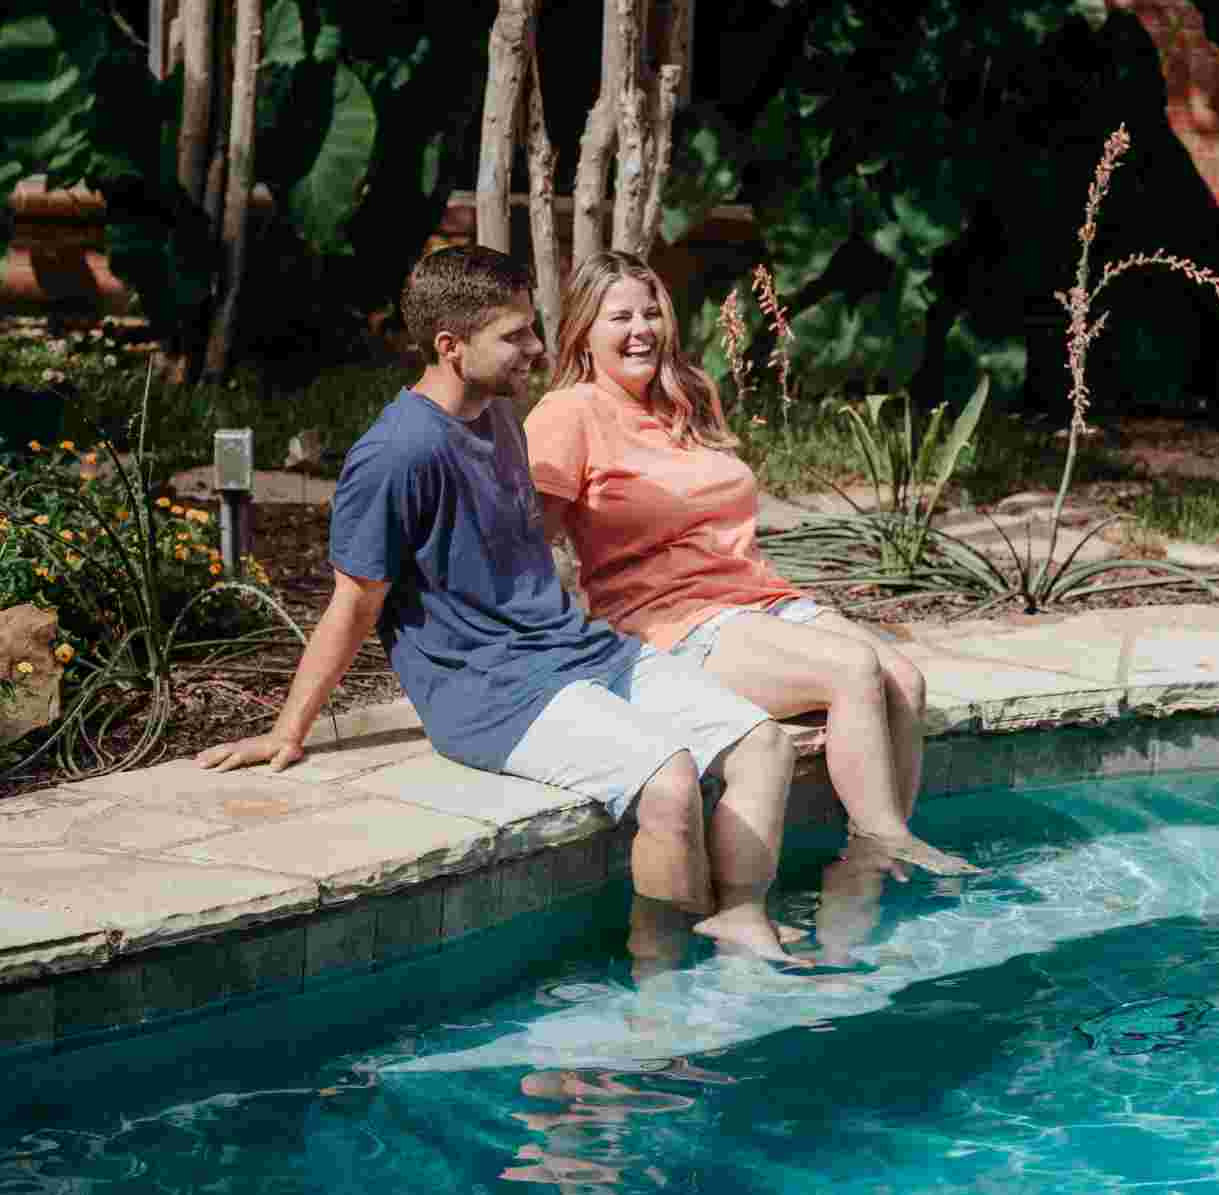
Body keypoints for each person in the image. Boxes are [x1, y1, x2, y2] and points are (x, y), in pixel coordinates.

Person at [196, 245, 804, 964]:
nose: (538, 348)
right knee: (669, 781)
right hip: (487, 691)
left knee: (763, 746)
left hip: (571, 652)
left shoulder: (502, 417)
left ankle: (737, 918)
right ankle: (662, 994)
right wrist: (289, 729)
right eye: (515, 335)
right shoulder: (397, 454)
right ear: (451, 348)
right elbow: (353, 605)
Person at [523, 250, 978, 878]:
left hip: (757, 597)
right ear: (583, 331)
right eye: (619, 317)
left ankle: (865, 876)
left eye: (652, 312)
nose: (641, 330)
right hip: (670, 620)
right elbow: (528, 545)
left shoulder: (688, 395)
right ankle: (883, 843)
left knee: (906, 680)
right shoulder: (567, 414)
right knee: (852, 668)